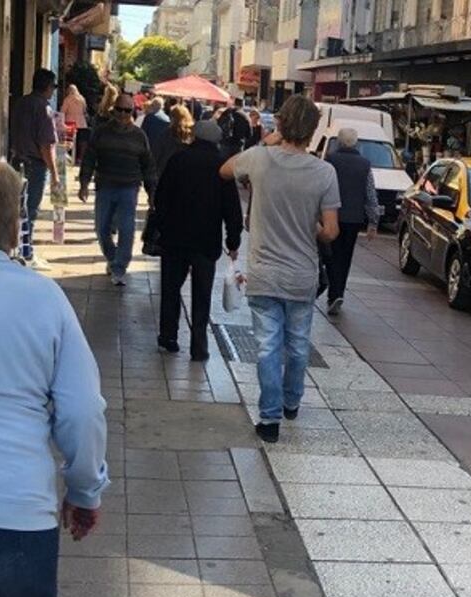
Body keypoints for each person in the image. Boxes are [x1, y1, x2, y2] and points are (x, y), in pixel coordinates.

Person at [0, 157, 108, 597]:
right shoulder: (43, 299)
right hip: (15, 513)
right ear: (15, 227)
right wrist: (83, 491)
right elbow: (81, 411)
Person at [219, 96, 340, 444]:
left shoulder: (258, 159)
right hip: (302, 274)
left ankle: (269, 419)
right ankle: (292, 401)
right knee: (298, 345)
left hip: (264, 273)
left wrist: (266, 141)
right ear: (314, 130)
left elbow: (225, 170)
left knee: (267, 347)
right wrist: (308, 227)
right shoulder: (324, 172)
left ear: (281, 125)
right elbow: (331, 231)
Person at [150, 120, 243, 361]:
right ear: (217, 140)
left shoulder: (178, 160)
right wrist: (233, 242)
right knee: (201, 295)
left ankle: (168, 336)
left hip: (175, 239)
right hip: (206, 241)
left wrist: (162, 226)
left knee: (171, 289)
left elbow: (161, 197)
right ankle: (199, 346)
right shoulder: (221, 167)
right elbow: (232, 208)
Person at [79, 93, 158, 286]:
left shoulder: (139, 136)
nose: (123, 114)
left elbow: (148, 166)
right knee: (101, 228)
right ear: (114, 109)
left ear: (133, 111)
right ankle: (113, 257)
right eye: (120, 109)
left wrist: (152, 193)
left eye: (128, 110)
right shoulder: (101, 132)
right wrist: (84, 183)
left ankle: (119, 267)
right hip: (105, 185)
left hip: (129, 188)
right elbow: (89, 157)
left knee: (126, 229)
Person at [324, 127, 381, 316]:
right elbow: (370, 194)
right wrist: (373, 222)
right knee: (345, 257)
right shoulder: (365, 164)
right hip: (354, 218)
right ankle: (338, 292)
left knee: (330, 254)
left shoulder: (330, 160)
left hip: (331, 215)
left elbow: (322, 187)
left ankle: (333, 292)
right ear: (356, 143)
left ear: (339, 142)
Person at [9, 68, 59, 271]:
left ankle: (18, 249)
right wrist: (55, 173)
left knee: (18, 208)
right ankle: (26, 252)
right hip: (35, 165)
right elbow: (45, 145)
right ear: (48, 87)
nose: (54, 91)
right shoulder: (43, 108)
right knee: (30, 209)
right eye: (53, 87)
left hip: (17, 161)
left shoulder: (21, 103)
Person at [153, 104, 195, 179]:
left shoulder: (167, 134)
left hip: (165, 171)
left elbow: (156, 153)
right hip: (185, 172)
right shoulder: (192, 134)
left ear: (172, 118)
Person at [61, 84, 90, 165]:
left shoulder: (67, 99)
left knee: (70, 141)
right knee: (81, 142)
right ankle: (79, 159)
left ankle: (70, 158)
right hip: (82, 123)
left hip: (70, 122)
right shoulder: (82, 99)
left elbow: (63, 111)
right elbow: (84, 110)